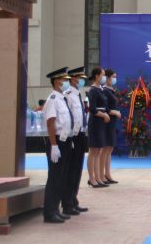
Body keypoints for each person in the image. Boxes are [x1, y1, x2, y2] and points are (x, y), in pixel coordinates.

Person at [42, 67, 74, 223]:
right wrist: (54, 146)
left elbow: (66, 121)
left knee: (61, 177)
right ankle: (49, 212)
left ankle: (56, 209)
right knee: (54, 177)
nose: (66, 82)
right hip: (56, 142)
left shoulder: (62, 99)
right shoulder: (52, 99)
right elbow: (51, 123)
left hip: (65, 141)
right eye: (63, 80)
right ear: (56, 81)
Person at [63, 67, 89, 215]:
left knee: (78, 169)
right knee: (71, 170)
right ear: (72, 79)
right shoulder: (67, 95)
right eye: (79, 78)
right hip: (72, 135)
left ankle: (74, 199)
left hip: (81, 134)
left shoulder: (78, 94)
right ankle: (67, 203)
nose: (81, 80)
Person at [86, 66, 110, 187]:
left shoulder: (100, 89)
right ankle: (91, 178)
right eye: (102, 74)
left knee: (99, 150)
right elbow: (92, 109)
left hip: (101, 122)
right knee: (93, 151)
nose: (104, 77)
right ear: (97, 76)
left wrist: (106, 114)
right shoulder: (93, 90)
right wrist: (103, 115)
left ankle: (98, 177)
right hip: (95, 122)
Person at [101, 68, 122, 184]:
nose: (115, 79)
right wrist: (113, 112)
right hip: (107, 122)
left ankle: (107, 174)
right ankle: (101, 175)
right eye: (113, 77)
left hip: (112, 122)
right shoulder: (105, 90)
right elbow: (104, 107)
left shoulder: (111, 90)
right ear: (107, 78)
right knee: (105, 149)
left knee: (110, 148)